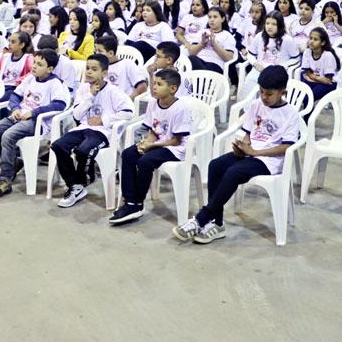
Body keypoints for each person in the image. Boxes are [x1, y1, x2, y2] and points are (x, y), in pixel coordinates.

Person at [172, 66, 299, 244]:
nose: (264, 97)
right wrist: (243, 146)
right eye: (261, 92)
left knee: (234, 172)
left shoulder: (291, 114)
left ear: (283, 93)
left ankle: (202, 218)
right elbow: (248, 132)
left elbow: (286, 147)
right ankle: (217, 223)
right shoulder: (256, 105)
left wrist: (255, 152)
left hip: (270, 160)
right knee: (215, 165)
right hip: (250, 153)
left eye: (269, 94)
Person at [109, 68, 192, 225]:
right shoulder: (153, 103)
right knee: (128, 154)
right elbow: (153, 129)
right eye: (154, 83)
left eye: (159, 84)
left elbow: (176, 140)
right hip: (158, 143)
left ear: (173, 89)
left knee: (145, 161)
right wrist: (146, 142)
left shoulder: (180, 108)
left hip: (175, 149)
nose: (154, 87)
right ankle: (130, 202)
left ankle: (138, 203)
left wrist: (151, 146)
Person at [50, 54, 134, 208]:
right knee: (58, 145)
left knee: (83, 151)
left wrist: (103, 120)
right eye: (87, 68)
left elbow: (129, 111)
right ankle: (75, 186)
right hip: (83, 128)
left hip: (103, 132)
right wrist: (90, 96)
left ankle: (84, 180)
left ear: (104, 73)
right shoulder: (83, 89)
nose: (89, 72)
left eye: (94, 69)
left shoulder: (113, 91)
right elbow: (76, 115)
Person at [0, 49, 70, 197]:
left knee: (7, 136)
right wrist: (16, 108)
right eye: (35, 63)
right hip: (19, 115)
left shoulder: (55, 83)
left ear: (50, 69)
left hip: (37, 122)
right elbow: (15, 96)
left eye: (40, 64)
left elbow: (60, 105)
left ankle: (4, 180)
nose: (34, 66)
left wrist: (34, 112)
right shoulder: (30, 78)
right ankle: (14, 162)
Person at [300, 28, 339, 102]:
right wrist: (316, 78)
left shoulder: (328, 55)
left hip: (328, 84)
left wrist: (312, 77)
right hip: (314, 79)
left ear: (323, 42)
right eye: (310, 38)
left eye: (315, 39)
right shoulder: (307, 52)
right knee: (300, 95)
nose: (311, 41)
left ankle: (309, 113)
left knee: (307, 99)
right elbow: (307, 72)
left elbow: (327, 80)